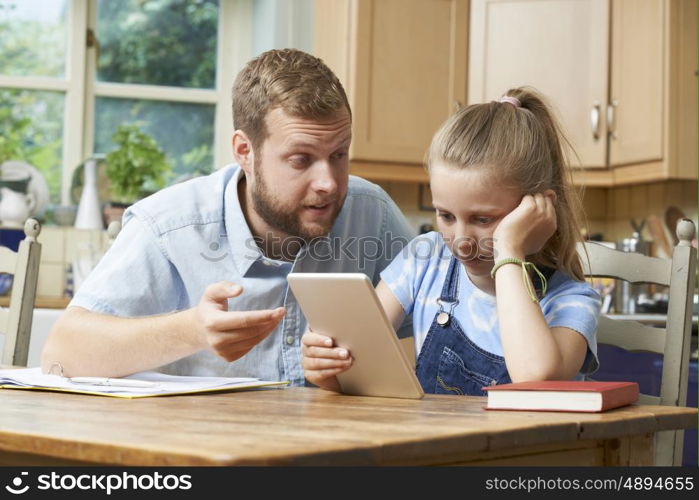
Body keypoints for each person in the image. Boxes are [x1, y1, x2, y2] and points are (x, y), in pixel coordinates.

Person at [41, 49, 415, 384]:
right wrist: (192, 330)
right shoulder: (169, 226)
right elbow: (62, 353)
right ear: (244, 151)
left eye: (339, 154)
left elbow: (438, 334)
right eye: (301, 160)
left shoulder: (373, 213)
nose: (329, 184)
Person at [302, 88, 601, 395]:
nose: (461, 241)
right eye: (445, 215)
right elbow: (357, 365)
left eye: (483, 219)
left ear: (537, 210)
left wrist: (509, 250)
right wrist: (326, 368)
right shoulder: (424, 259)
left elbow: (534, 377)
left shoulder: (571, 300)